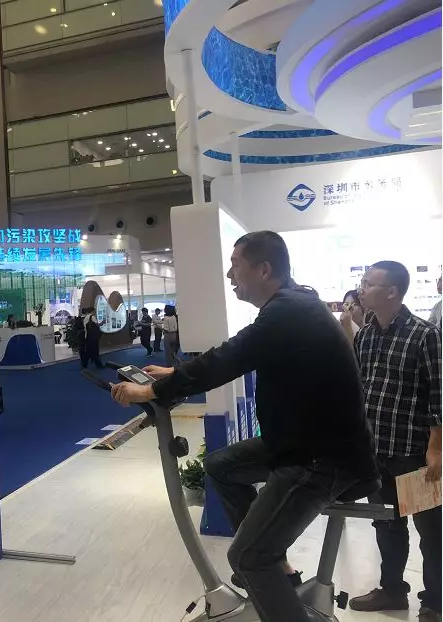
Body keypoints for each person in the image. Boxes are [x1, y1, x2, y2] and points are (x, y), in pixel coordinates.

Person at [110, 231, 378, 622]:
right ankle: (279, 569)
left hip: (322, 457)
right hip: (301, 441)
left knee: (248, 557)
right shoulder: (295, 304)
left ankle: (266, 565)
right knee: (221, 465)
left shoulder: (289, 310)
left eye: (235, 265)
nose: (229, 275)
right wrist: (174, 375)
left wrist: (152, 390)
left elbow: (230, 357)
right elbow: (236, 353)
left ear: (264, 269)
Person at [349, 261, 441, 621]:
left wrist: (436, 448)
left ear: (392, 291)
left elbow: (439, 396)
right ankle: (392, 591)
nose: (362, 288)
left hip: (412, 454)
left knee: (430, 532)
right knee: (386, 524)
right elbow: (361, 389)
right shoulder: (366, 336)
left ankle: (434, 602)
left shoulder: (424, 335)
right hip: (377, 451)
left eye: (369, 283)